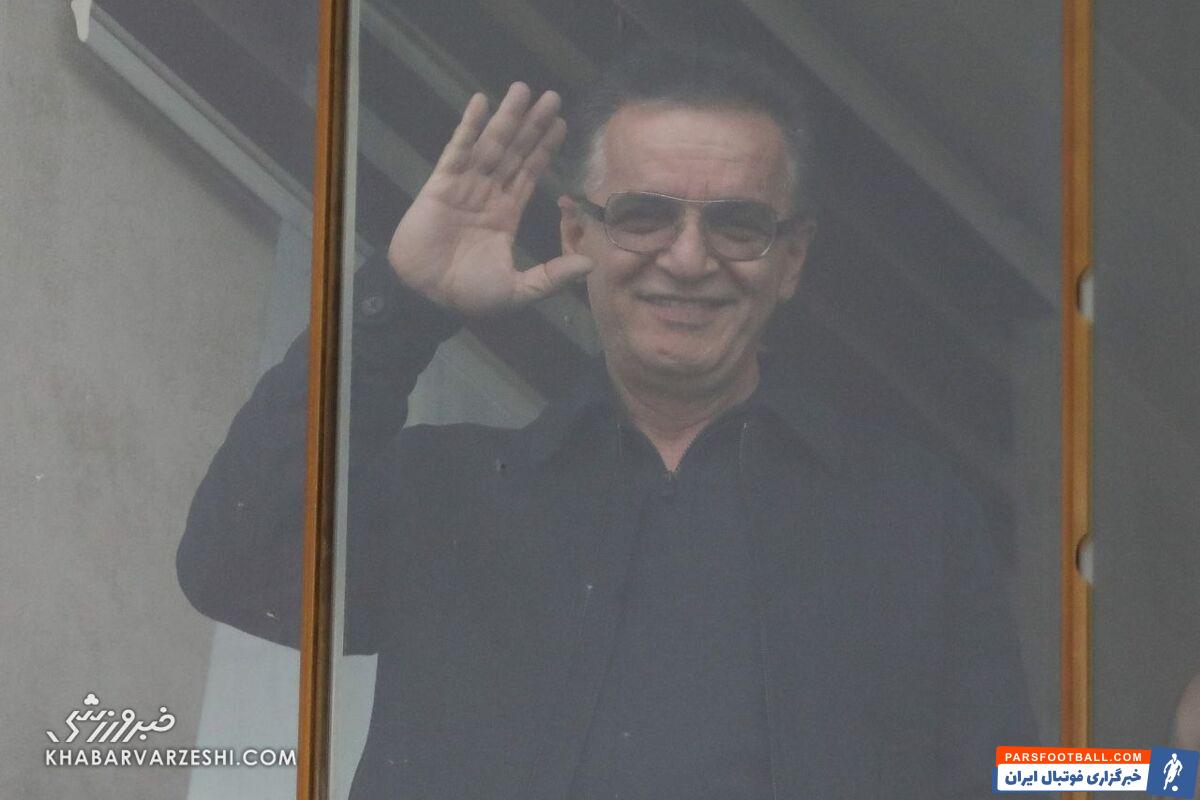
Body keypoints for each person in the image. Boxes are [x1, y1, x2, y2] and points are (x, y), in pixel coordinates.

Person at [178, 42, 1037, 799]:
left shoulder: (911, 516)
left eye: (737, 224)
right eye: (644, 216)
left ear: (791, 260)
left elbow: (1020, 774)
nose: (688, 259)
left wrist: (1128, 769)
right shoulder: (450, 492)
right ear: (576, 234)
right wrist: (402, 305)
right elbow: (230, 565)